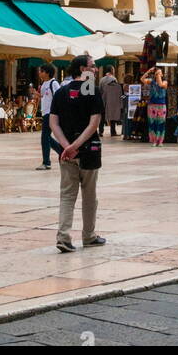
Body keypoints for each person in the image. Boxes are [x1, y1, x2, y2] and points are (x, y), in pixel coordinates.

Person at [49, 54, 106, 253]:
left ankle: (63, 236)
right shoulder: (92, 91)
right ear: (82, 69)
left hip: (66, 154)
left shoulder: (61, 92)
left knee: (67, 196)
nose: (96, 69)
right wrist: (76, 145)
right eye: (93, 66)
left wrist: (66, 147)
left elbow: (53, 123)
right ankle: (88, 236)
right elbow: (94, 123)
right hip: (88, 150)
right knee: (89, 196)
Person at [36, 63, 61, 170]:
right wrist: (37, 95)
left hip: (51, 114)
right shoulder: (44, 84)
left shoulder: (54, 83)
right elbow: (45, 96)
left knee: (44, 137)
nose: (39, 73)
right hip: (45, 113)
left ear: (47, 72)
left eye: (41, 71)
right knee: (46, 137)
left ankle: (46, 162)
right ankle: (62, 151)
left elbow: (59, 97)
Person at [141, 65, 167, 146]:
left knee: (161, 123)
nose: (158, 74)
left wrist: (158, 75)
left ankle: (160, 141)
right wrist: (149, 71)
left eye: (160, 73)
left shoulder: (165, 82)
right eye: (157, 73)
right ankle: (154, 140)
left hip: (161, 105)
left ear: (162, 75)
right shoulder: (151, 81)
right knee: (152, 123)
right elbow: (142, 79)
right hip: (152, 105)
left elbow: (160, 85)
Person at [99, 66, 123, 139]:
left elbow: (100, 90)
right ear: (112, 70)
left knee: (102, 117)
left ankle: (100, 131)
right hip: (112, 100)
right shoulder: (113, 79)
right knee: (112, 116)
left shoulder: (101, 79)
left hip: (103, 100)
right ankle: (113, 131)